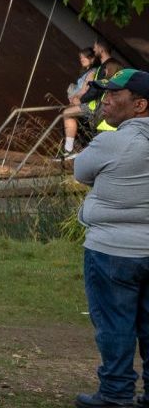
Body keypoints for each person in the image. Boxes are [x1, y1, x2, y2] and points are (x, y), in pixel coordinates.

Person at [78, 67, 149, 406]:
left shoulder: (113, 140)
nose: (105, 100)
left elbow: (82, 170)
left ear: (140, 105)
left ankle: (116, 393)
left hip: (112, 250)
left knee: (115, 325)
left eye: (114, 95)